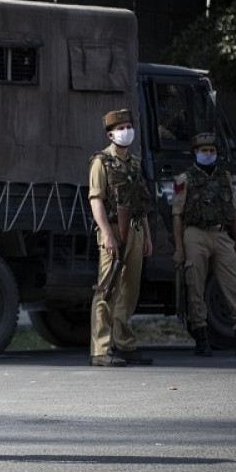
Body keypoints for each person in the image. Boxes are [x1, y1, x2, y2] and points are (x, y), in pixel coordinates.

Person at [171, 132, 236, 357]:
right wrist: (179, 248)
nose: (208, 154)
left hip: (221, 234)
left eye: (212, 151)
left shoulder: (225, 178)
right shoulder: (183, 180)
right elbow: (177, 215)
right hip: (195, 234)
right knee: (195, 286)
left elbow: (234, 213)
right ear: (195, 152)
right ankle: (202, 340)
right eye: (204, 151)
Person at [88, 109, 154, 366]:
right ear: (110, 134)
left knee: (130, 289)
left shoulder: (135, 163)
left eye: (129, 126)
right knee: (107, 288)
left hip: (135, 229)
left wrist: (146, 235)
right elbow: (96, 201)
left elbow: (142, 203)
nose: (127, 131)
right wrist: (107, 234)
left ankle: (124, 344)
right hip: (113, 230)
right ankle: (101, 350)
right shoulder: (101, 161)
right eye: (121, 127)